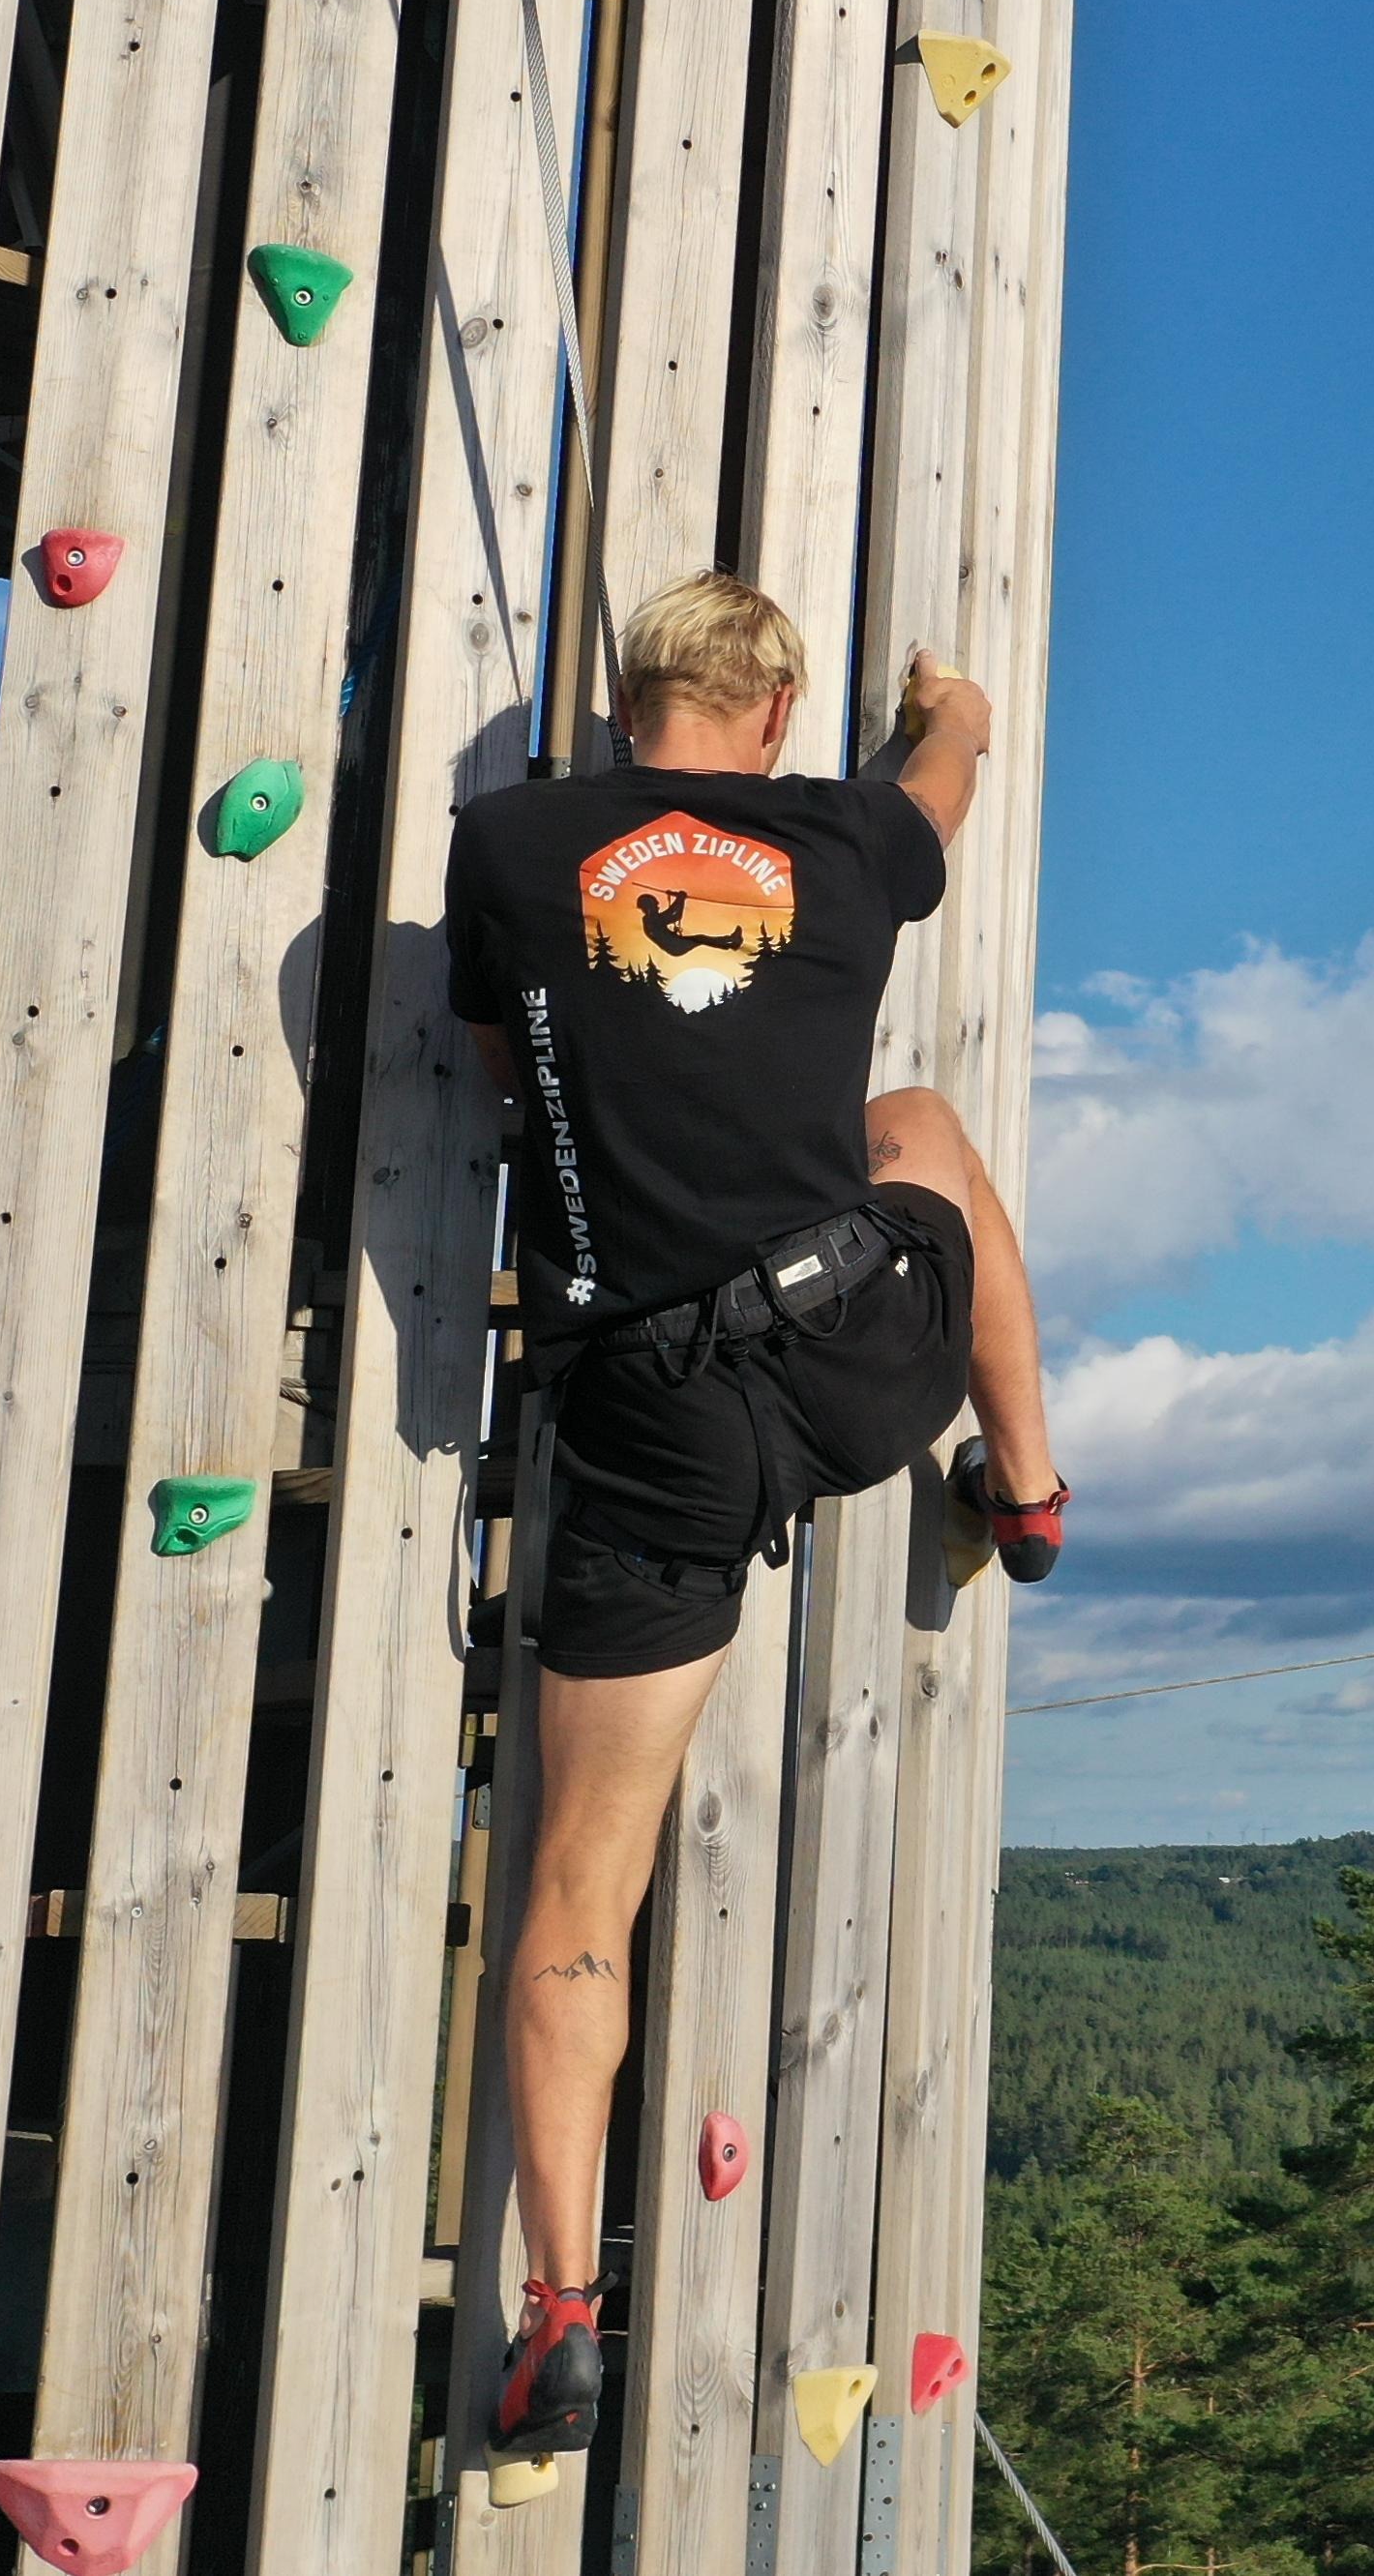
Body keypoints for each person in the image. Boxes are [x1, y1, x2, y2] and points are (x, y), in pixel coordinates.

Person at [441, 570, 1074, 2460]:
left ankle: (562, 2313)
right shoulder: (846, 837)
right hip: (859, 1348)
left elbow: (497, 1067)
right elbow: (953, 756)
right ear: (778, 719)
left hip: (654, 1422)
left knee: (575, 1894)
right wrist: (939, 695)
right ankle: (1029, 1487)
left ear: (626, 697)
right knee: (928, 1134)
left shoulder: (510, 843)